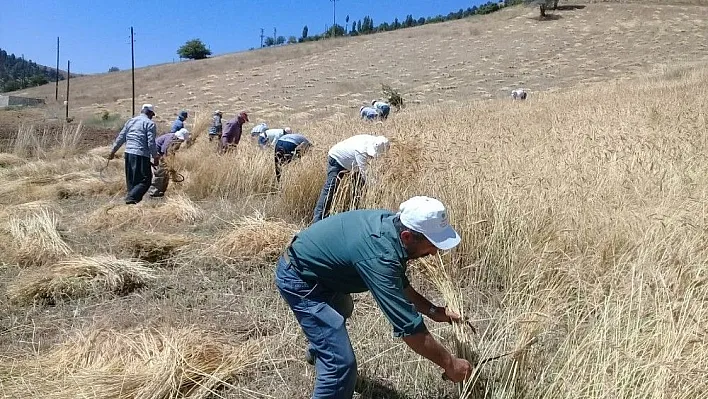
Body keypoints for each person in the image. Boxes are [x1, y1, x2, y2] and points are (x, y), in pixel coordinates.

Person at [276, 196, 473, 399]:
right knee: (340, 365)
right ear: (407, 236)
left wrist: (434, 311)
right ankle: (327, 358)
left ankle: (320, 352)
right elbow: (410, 329)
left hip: (324, 274)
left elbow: (399, 283)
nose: (434, 253)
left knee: (342, 310)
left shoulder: (391, 225)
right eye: (432, 244)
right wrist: (450, 364)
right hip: (301, 281)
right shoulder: (379, 256)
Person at [312, 134, 389, 223]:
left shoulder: (378, 143)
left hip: (353, 162)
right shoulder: (362, 150)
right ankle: (318, 220)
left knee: (358, 189)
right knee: (330, 189)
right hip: (337, 159)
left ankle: (352, 215)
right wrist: (378, 188)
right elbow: (366, 174)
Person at [108, 104, 160, 205]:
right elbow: (151, 142)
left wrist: (113, 151)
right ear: (149, 113)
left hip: (128, 153)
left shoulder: (131, 121)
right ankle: (130, 199)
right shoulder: (149, 123)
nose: (152, 117)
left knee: (132, 181)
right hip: (141, 154)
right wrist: (155, 156)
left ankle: (131, 205)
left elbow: (121, 137)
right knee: (145, 180)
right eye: (152, 114)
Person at [148, 128, 190, 198]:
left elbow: (172, 153)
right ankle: (153, 193)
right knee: (160, 174)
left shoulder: (176, 141)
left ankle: (161, 192)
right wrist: (166, 162)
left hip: (163, 156)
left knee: (166, 175)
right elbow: (164, 151)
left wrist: (171, 164)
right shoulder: (170, 139)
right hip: (156, 154)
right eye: (182, 140)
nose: (182, 141)